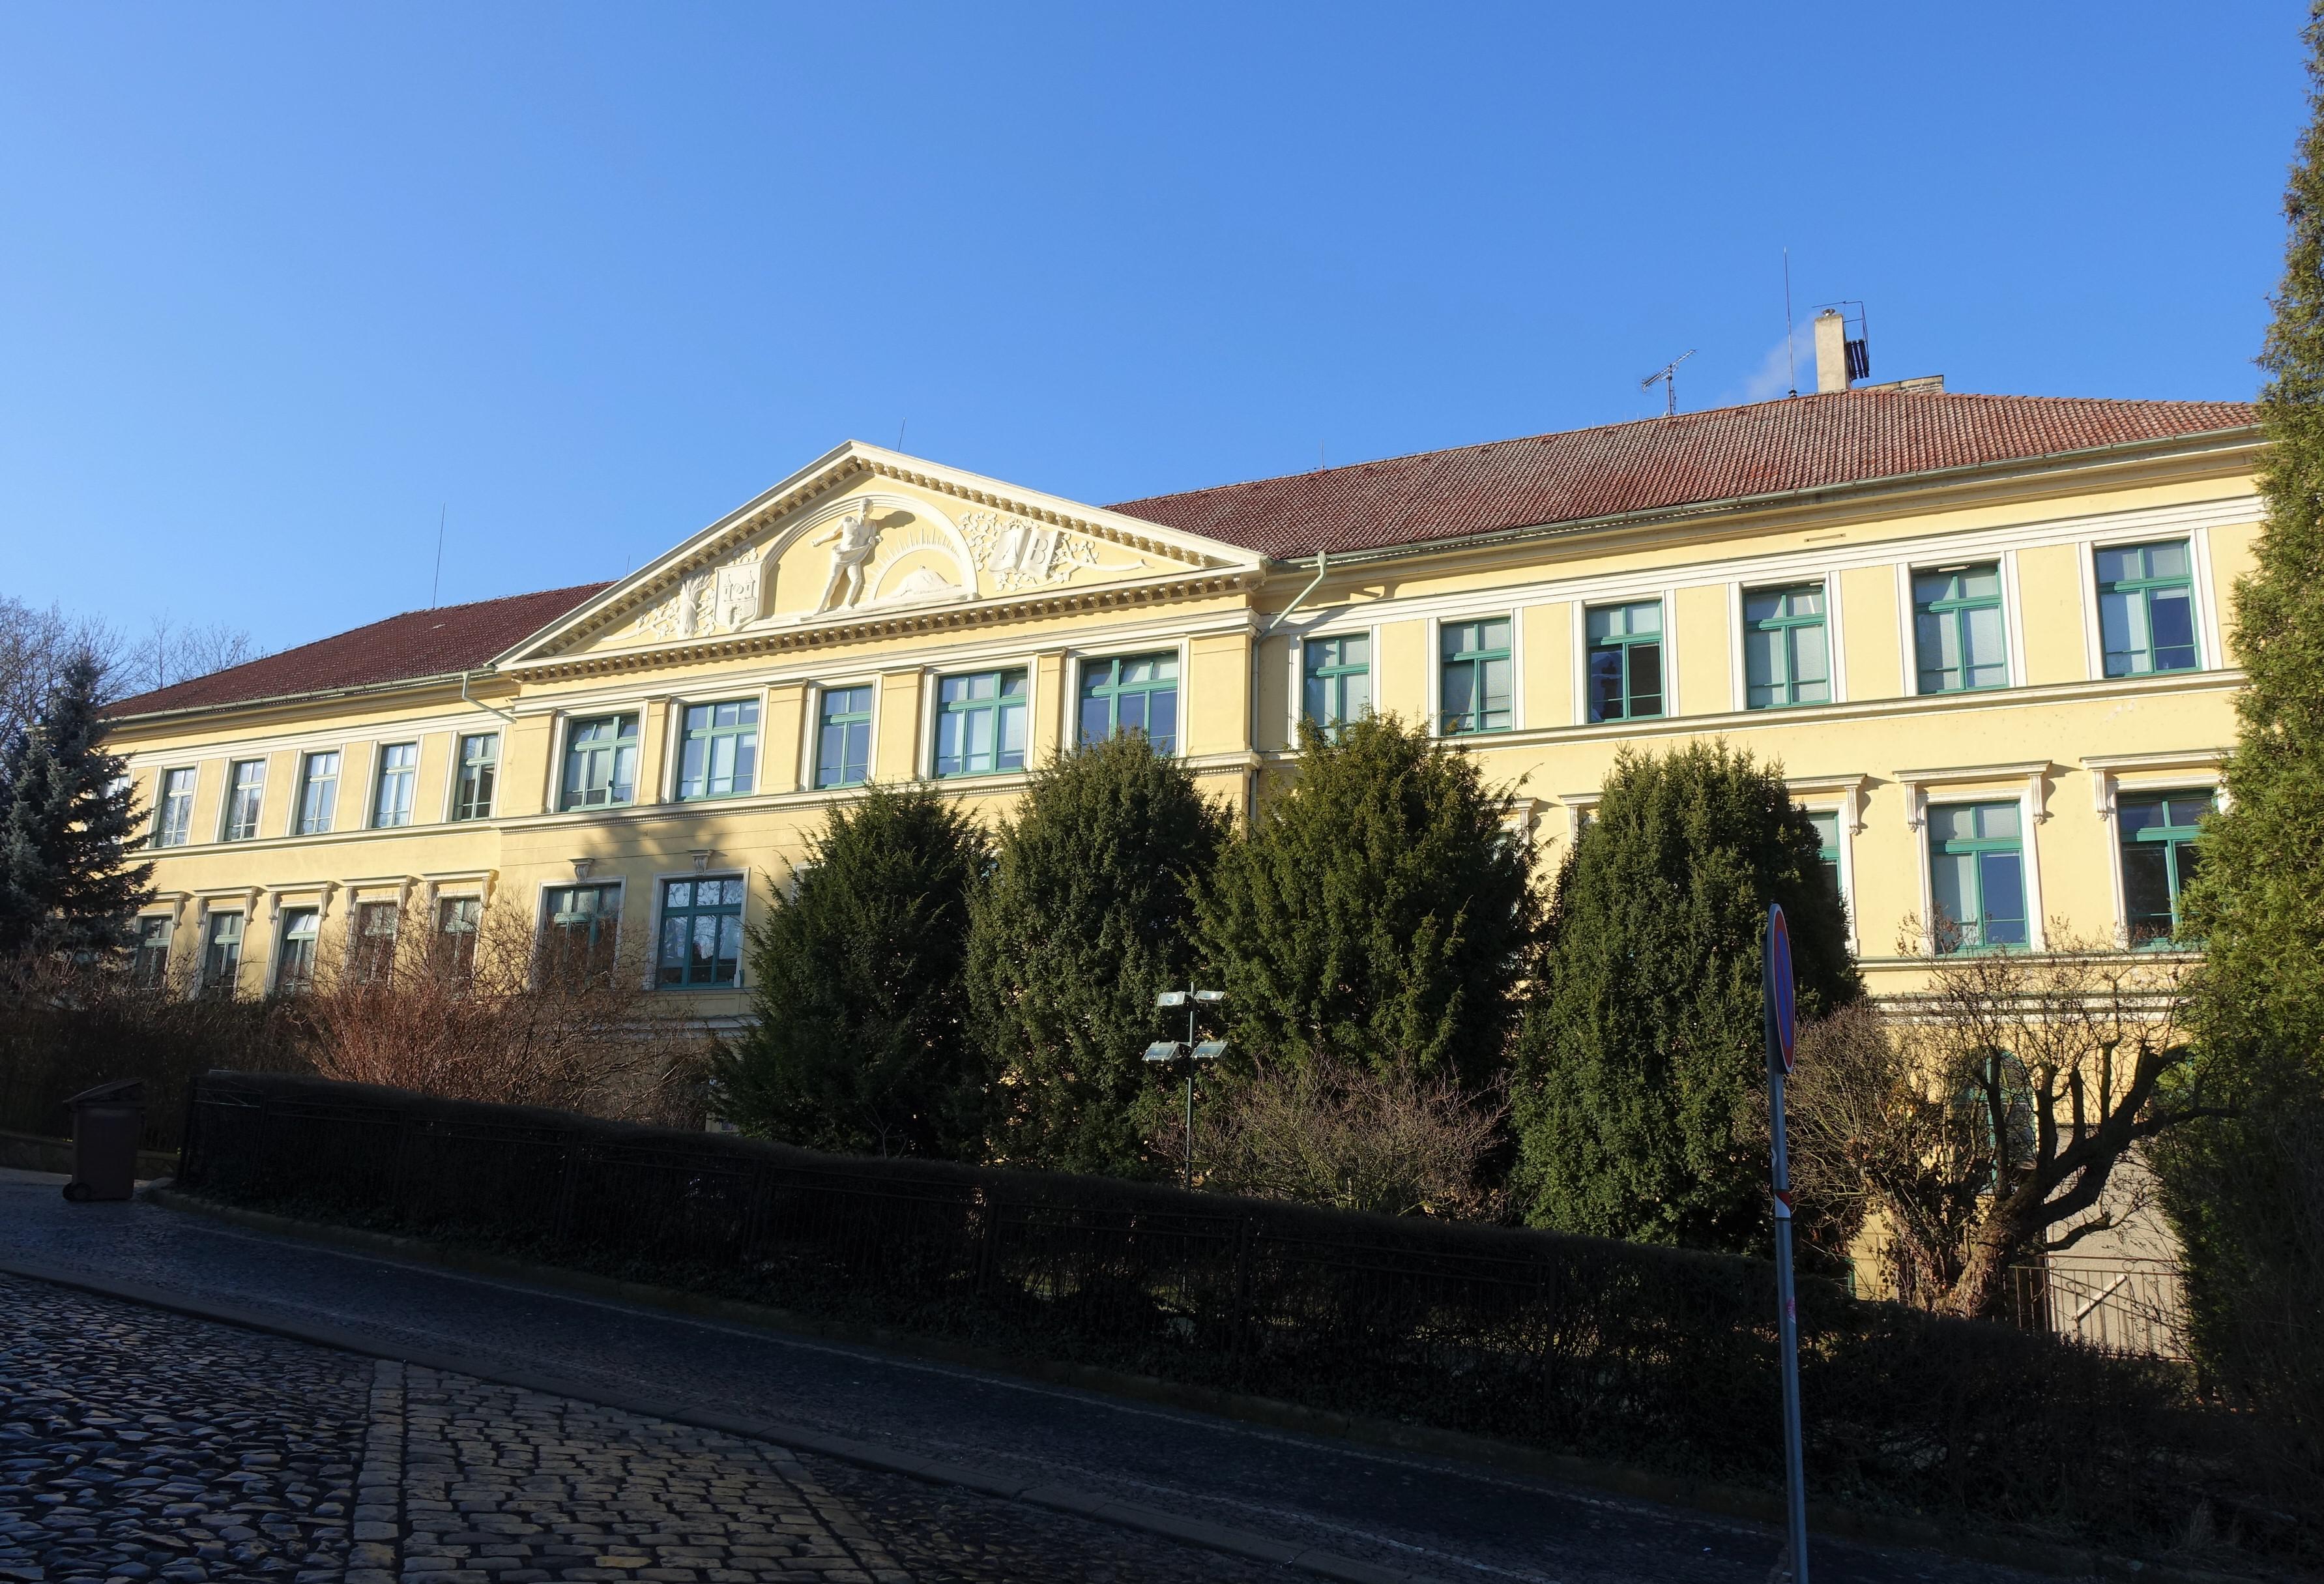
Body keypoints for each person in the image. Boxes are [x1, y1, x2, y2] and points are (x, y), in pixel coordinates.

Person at [812, 506, 881, 611]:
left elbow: (872, 538)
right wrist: (819, 540)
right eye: (863, 509)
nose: (864, 512)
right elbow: (833, 533)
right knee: (833, 581)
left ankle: (848, 604)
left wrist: (875, 540)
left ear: (871, 511)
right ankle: (820, 608)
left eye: (867, 510)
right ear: (859, 509)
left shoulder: (872, 526)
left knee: (857, 580)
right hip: (840, 556)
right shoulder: (847, 520)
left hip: (855, 557)